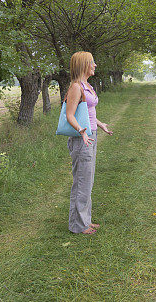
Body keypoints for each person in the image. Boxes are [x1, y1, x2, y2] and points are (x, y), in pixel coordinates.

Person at [64, 51, 113, 235]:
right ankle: (78, 225)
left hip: (90, 135)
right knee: (82, 182)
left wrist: (100, 125)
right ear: (84, 65)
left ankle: (86, 220)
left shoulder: (87, 85)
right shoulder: (76, 87)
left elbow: (88, 112)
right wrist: (81, 131)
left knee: (88, 181)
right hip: (81, 138)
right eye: (92, 62)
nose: (95, 65)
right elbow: (70, 115)